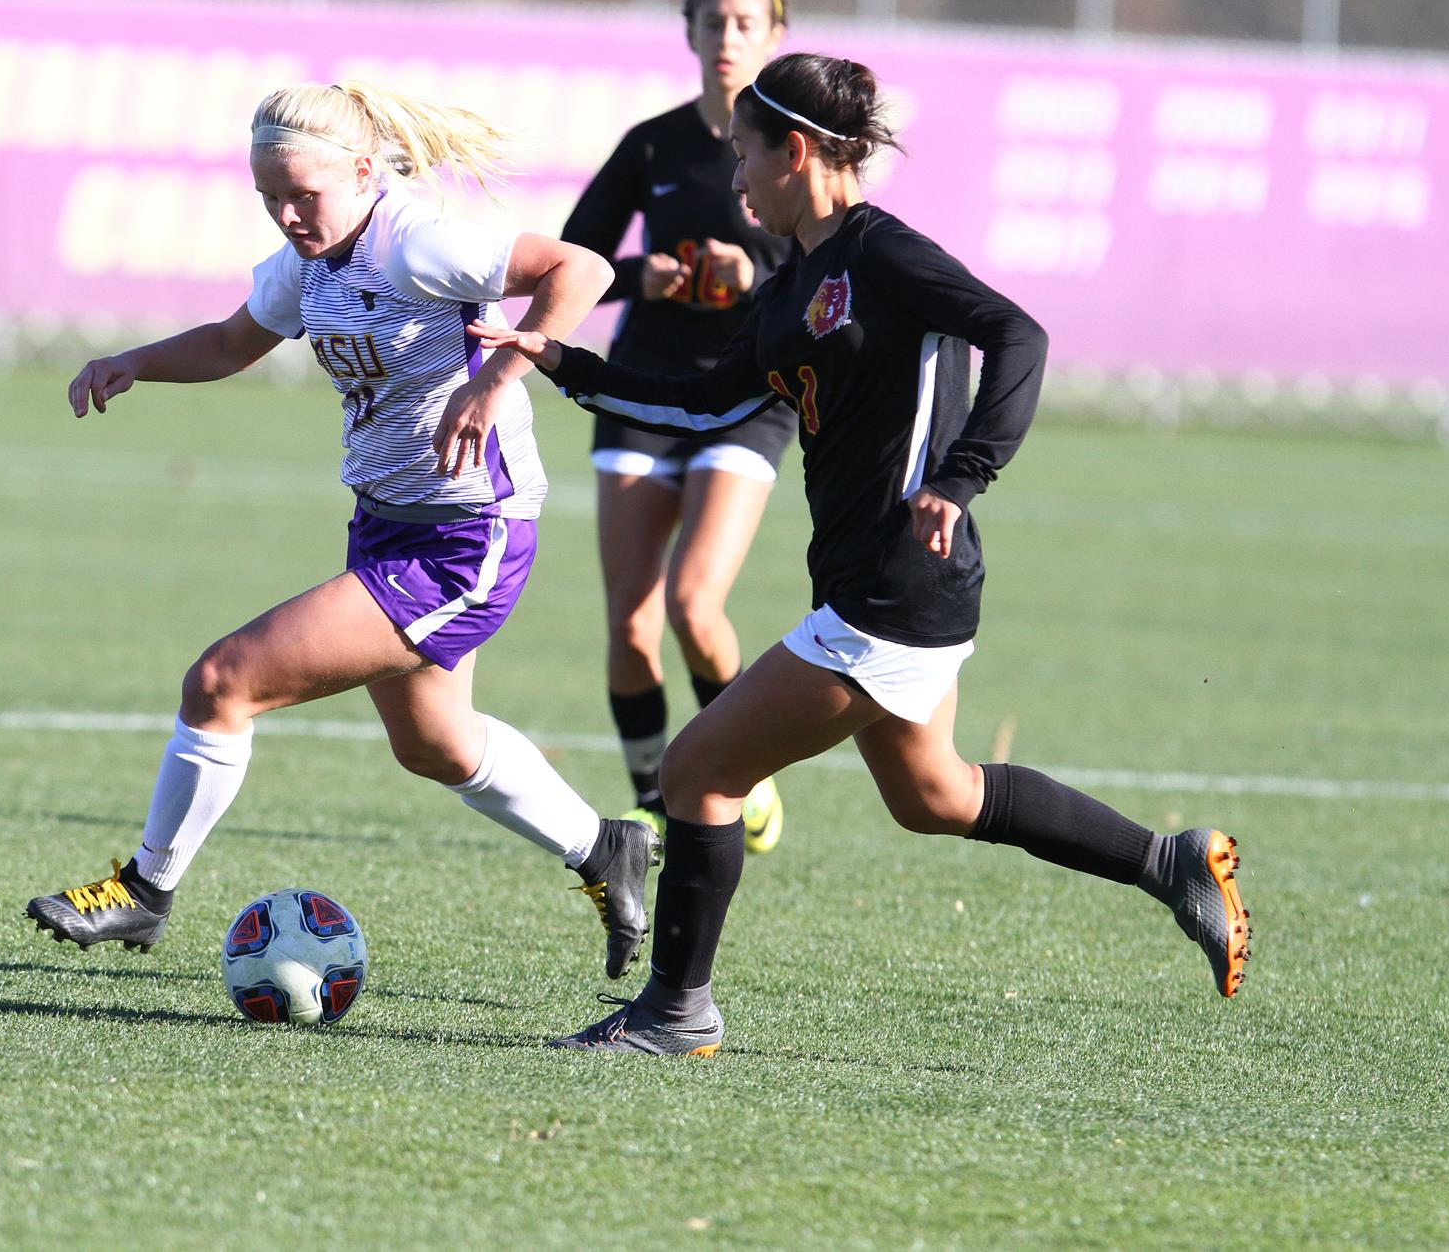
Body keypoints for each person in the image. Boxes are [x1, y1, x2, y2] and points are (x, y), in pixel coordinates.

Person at [467, 53, 1252, 1056]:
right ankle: (1167, 862)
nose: (736, 177)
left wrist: (961, 476)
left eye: (745, 154)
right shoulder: (789, 284)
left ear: (795, 151)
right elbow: (702, 405)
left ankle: (674, 1012)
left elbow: (1018, 333)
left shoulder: (882, 252)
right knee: (935, 796)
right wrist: (562, 362)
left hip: (897, 584)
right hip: (872, 581)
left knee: (697, 768)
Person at [25, 80, 664, 982]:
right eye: (269, 198)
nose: (287, 215)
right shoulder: (313, 259)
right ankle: (606, 847)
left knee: (221, 682)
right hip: (385, 525)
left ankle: (145, 889)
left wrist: (499, 378)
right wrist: (133, 361)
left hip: (464, 539)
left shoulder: (418, 244)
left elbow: (582, 269)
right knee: (435, 743)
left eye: (303, 195)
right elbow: (231, 343)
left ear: (365, 173)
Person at [560, 0, 799, 854]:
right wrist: (640, 276)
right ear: (690, 32)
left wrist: (756, 271)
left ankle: (741, 769)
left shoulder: (793, 143)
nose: (728, 37)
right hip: (644, 391)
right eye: (714, 21)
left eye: (746, 22)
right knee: (631, 623)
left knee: (696, 607)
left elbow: (831, 266)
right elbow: (573, 256)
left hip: (746, 395)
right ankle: (655, 803)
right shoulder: (654, 144)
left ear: (775, 36)